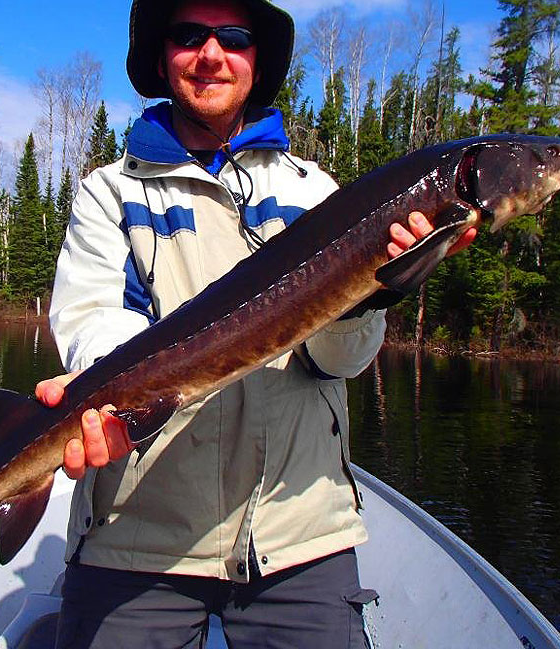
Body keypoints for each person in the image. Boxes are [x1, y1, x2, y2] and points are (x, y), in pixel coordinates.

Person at [35, 1, 475, 647]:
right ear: (161, 58)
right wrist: (116, 403)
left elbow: (336, 362)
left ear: (255, 61)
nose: (210, 54)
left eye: (233, 38)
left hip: (300, 533)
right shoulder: (111, 191)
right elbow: (93, 316)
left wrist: (370, 295)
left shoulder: (316, 192)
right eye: (188, 35)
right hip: (136, 534)